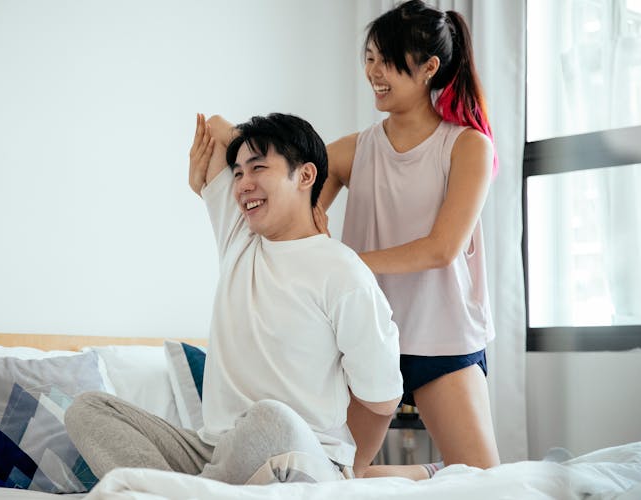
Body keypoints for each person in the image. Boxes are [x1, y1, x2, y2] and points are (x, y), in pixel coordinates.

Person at [64, 112, 404, 485]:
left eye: (258, 168)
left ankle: (170, 492)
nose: (243, 184)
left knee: (272, 418)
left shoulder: (343, 271)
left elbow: (382, 397)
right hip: (212, 451)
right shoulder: (239, 237)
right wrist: (251, 149)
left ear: (305, 176)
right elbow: (212, 129)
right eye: (238, 173)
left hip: (300, 451)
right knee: (87, 408)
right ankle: (186, 493)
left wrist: (349, 472)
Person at [314, 0, 501, 477]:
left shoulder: (467, 146)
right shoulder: (353, 150)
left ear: (429, 68)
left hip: (443, 338)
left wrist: (350, 261)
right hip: (368, 338)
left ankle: (442, 475)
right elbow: (303, 205)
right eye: (370, 58)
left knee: (484, 481)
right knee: (335, 476)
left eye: (387, 61)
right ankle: (428, 476)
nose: (373, 72)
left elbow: (442, 249)